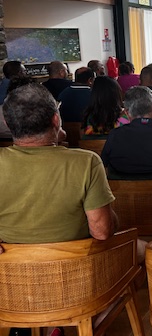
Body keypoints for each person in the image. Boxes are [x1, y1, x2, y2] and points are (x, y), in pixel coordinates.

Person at [0, 83, 115, 244]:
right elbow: (102, 232)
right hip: (79, 265)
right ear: (56, 119)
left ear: (7, 122)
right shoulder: (87, 162)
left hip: (10, 267)